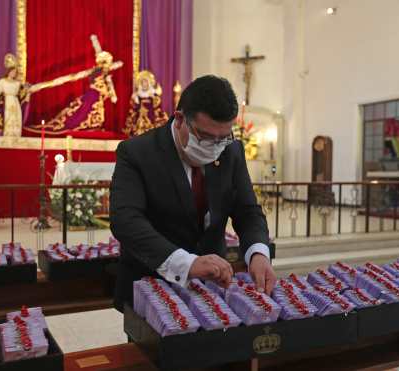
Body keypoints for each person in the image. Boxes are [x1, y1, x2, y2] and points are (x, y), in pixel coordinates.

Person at [110, 75, 276, 311]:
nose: (215, 147)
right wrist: (186, 263)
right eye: (206, 137)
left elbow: (247, 212)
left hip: (214, 286)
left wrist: (258, 252)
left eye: (223, 137)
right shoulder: (138, 152)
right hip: (153, 284)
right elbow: (126, 221)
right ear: (179, 120)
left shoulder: (231, 151)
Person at [0, 53, 30, 136]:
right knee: (7, 118)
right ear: (9, 71)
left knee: (15, 118)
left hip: (15, 103)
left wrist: (27, 91)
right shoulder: (3, 81)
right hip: (6, 103)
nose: (14, 73)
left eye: (15, 71)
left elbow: (22, 94)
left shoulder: (17, 83)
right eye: (13, 71)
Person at [123, 70, 169, 137]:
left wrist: (153, 98)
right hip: (140, 114)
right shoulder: (137, 94)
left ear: (149, 83)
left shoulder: (153, 93)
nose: (144, 84)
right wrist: (135, 100)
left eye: (146, 82)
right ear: (140, 84)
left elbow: (157, 104)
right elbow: (134, 106)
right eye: (142, 82)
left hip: (151, 114)